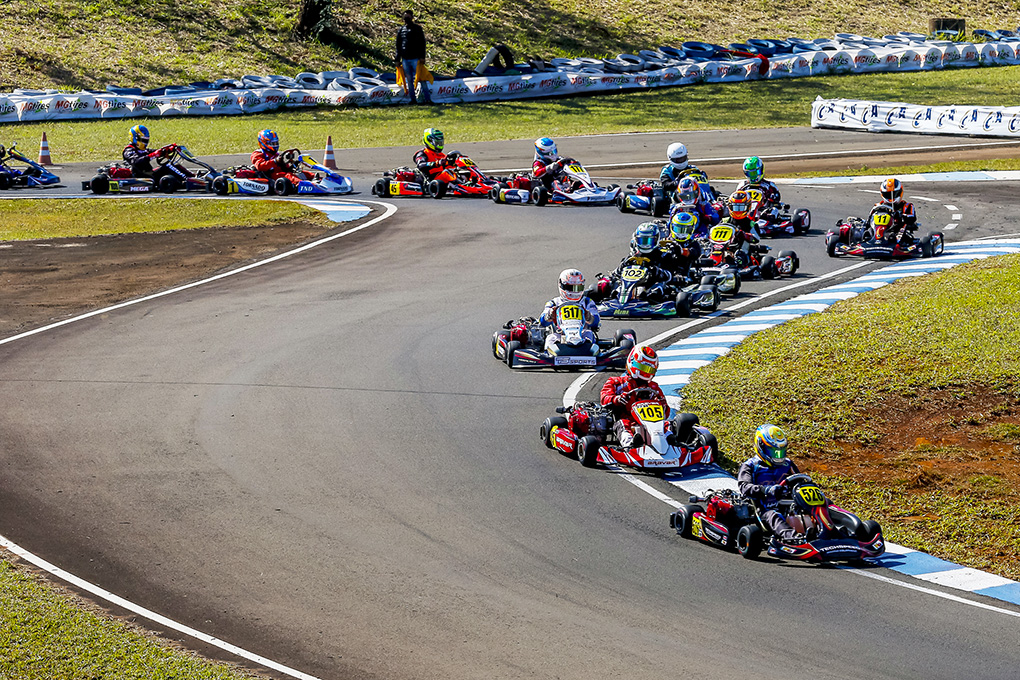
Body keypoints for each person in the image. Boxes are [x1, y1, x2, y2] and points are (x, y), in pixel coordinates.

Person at [737, 424, 803, 544]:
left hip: (789, 504)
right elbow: (744, 487)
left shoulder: (787, 464)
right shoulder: (751, 466)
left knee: (824, 505)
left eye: (781, 452)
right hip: (764, 508)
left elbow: (799, 480)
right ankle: (794, 539)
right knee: (774, 516)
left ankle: (836, 531)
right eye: (773, 452)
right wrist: (767, 490)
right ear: (761, 446)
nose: (778, 456)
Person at [600, 345, 669, 449]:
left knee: (666, 425)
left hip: (650, 423)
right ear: (632, 363)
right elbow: (604, 398)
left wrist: (663, 405)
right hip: (625, 419)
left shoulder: (653, 387)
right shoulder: (616, 382)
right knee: (623, 424)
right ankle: (630, 445)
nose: (646, 372)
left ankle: (671, 440)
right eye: (643, 368)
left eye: (650, 370)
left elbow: (665, 414)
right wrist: (616, 399)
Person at [539, 269, 600, 351]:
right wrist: (549, 315)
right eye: (571, 288)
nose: (575, 291)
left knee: (589, 334)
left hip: (582, 335)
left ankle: (588, 351)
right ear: (562, 285)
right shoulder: (554, 303)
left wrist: (589, 317)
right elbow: (542, 322)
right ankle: (549, 355)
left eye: (578, 287)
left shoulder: (587, 302)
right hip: (560, 336)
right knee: (551, 338)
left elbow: (596, 321)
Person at [122, 124, 187, 183]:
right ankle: (186, 179)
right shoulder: (129, 150)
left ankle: (193, 177)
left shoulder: (144, 150)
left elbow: (156, 151)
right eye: (144, 140)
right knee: (167, 167)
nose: (145, 143)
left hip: (149, 174)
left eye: (146, 140)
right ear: (135, 138)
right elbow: (136, 161)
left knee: (175, 166)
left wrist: (168, 150)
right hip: (140, 176)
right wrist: (153, 155)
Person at [395, 10, 431, 104]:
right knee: (409, 80)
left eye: (408, 17)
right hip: (405, 59)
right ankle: (413, 99)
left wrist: (422, 57)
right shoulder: (401, 30)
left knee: (421, 78)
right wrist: (397, 59)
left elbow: (422, 43)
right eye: (405, 17)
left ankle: (427, 99)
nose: (406, 19)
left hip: (416, 58)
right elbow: (398, 45)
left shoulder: (418, 29)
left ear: (412, 18)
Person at [658, 211, 703, 282]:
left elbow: (694, 253)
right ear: (672, 227)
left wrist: (681, 251)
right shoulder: (665, 241)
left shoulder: (693, 243)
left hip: (679, 274)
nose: (681, 233)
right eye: (678, 229)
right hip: (660, 270)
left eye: (685, 230)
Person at [871, 178, 917, 244]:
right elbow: (870, 219)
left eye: (894, 194)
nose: (891, 198)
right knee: (866, 231)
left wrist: (900, 216)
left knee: (902, 238)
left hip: (898, 231)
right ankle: (873, 238)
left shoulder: (907, 206)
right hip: (879, 230)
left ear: (900, 192)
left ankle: (896, 242)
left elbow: (912, 218)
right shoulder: (878, 206)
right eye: (887, 195)